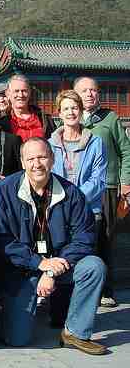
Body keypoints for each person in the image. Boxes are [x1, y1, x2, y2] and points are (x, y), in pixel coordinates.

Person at [0, 137, 107, 355]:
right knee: (17, 339)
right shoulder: (3, 191)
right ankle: (2, 312)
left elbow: (85, 237)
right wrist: (39, 263)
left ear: (52, 159)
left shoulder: (71, 193)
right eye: (31, 159)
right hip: (21, 270)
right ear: (23, 162)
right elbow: (2, 240)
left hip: (59, 266)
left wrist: (51, 270)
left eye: (42, 157)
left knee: (93, 266)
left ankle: (75, 332)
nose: (37, 164)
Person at [74, 76, 130, 307]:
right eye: (84, 90)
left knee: (105, 239)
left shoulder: (110, 119)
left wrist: (125, 182)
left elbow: (126, 152)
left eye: (94, 90)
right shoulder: (69, 120)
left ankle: (105, 290)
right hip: (77, 189)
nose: (90, 94)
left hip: (106, 188)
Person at [49, 90, 106, 223]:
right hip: (58, 210)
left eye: (74, 108)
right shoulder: (50, 144)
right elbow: (48, 177)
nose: (70, 112)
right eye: (66, 109)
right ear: (60, 113)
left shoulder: (96, 142)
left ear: (80, 111)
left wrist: (74, 199)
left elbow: (98, 179)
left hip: (89, 209)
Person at [0, 75, 56, 141]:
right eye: (16, 91)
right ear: (8, 94)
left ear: (30, 93)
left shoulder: (45, 119)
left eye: (24, 91)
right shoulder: (1, 122)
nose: (20, 95)